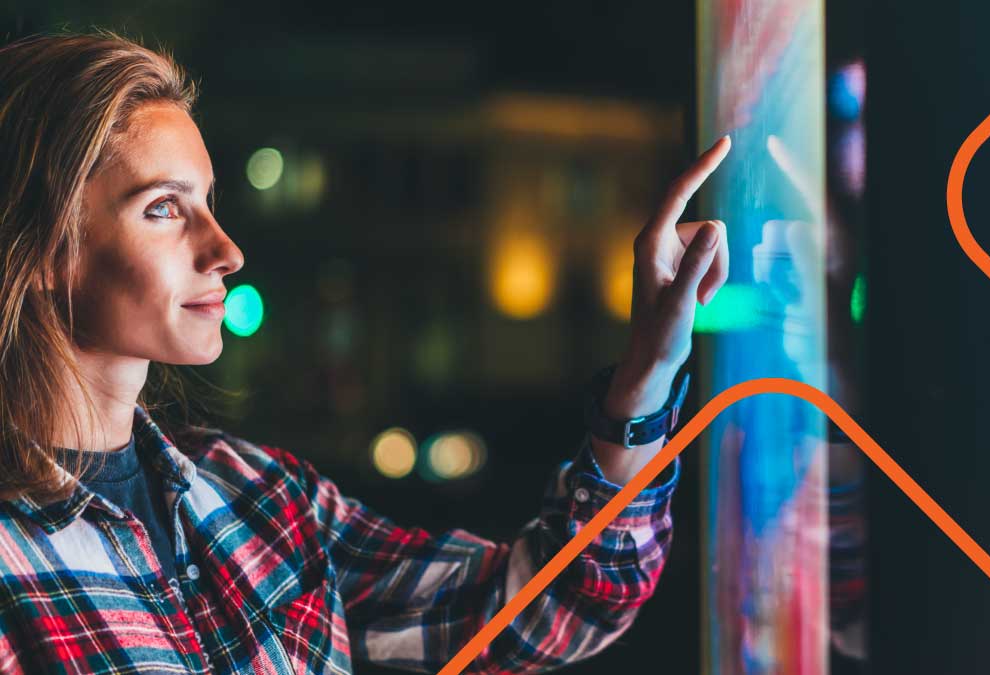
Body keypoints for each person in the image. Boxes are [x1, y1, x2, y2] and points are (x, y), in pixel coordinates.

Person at [0, 30, 730, 674]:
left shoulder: (264, 498)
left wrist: (647, 373)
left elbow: (553, 605)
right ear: (40, 251)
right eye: (163, 209)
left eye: (210, 204)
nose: (225, 249)